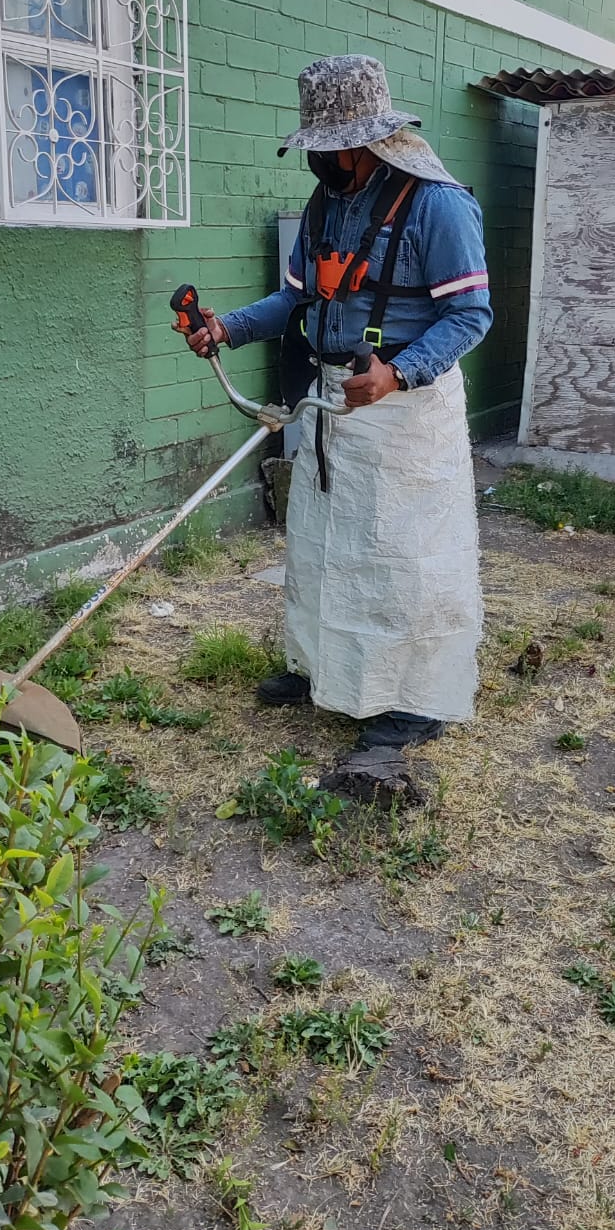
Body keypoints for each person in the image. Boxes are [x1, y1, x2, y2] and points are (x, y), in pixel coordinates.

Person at [180, 54, 492, 751]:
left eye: (329, 148)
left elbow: (471, 315)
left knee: (398, 555)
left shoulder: (436, 204)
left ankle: (409, 700)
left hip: (404, 412)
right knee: (325, 547)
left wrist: (397, 373)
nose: (318, 160)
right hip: (331, 399)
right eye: (314, 149)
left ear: (369, 141)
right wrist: (226, 327)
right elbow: (295, 297)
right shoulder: (329, 203)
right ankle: (322, 666)